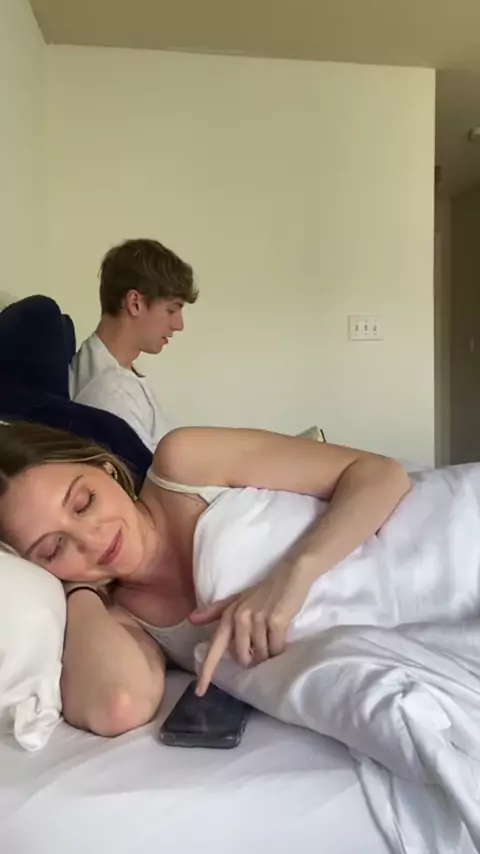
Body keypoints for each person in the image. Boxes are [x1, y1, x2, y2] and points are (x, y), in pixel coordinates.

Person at [0, 420, 411, 736]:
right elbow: (118, 706)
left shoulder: (183, 463)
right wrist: (77, 589)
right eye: (54, 548)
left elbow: (380, 473)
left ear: (106, 470)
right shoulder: (126, 620)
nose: (91, 539)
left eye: (83, 503)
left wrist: (293, 575)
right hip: (390, 640)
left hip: (413, 543)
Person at [70, 239, 198, 452]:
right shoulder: (113, 394)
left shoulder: (111, 372)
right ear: (135, 303)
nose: (179, 325)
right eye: (172, 310)